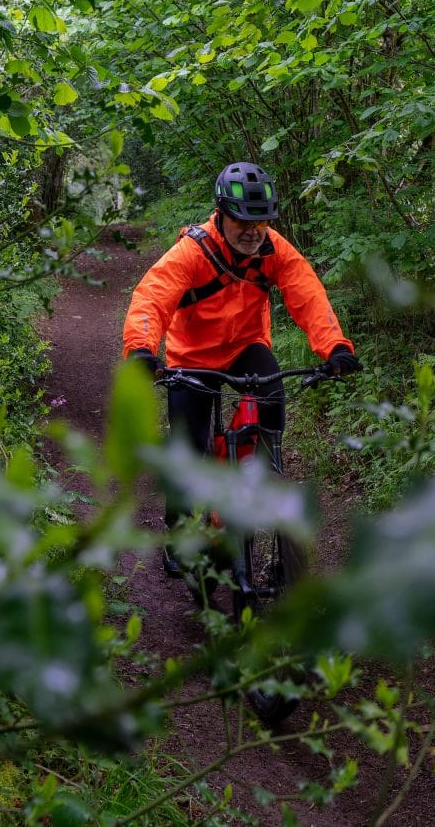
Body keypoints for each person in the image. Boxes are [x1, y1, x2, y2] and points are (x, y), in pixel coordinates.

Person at [122, 161, 360, 575]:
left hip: (246, 346)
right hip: (192, 357)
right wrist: (142, 349)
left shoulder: (274, 250)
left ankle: (265, 475)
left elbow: (308, 295)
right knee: (187, 446)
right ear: (221, 213)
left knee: (272, 397)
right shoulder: (193, 252)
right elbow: (152, 298)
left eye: (262, 222)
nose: (253, 231)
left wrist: (334, 347)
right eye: (243, 222)